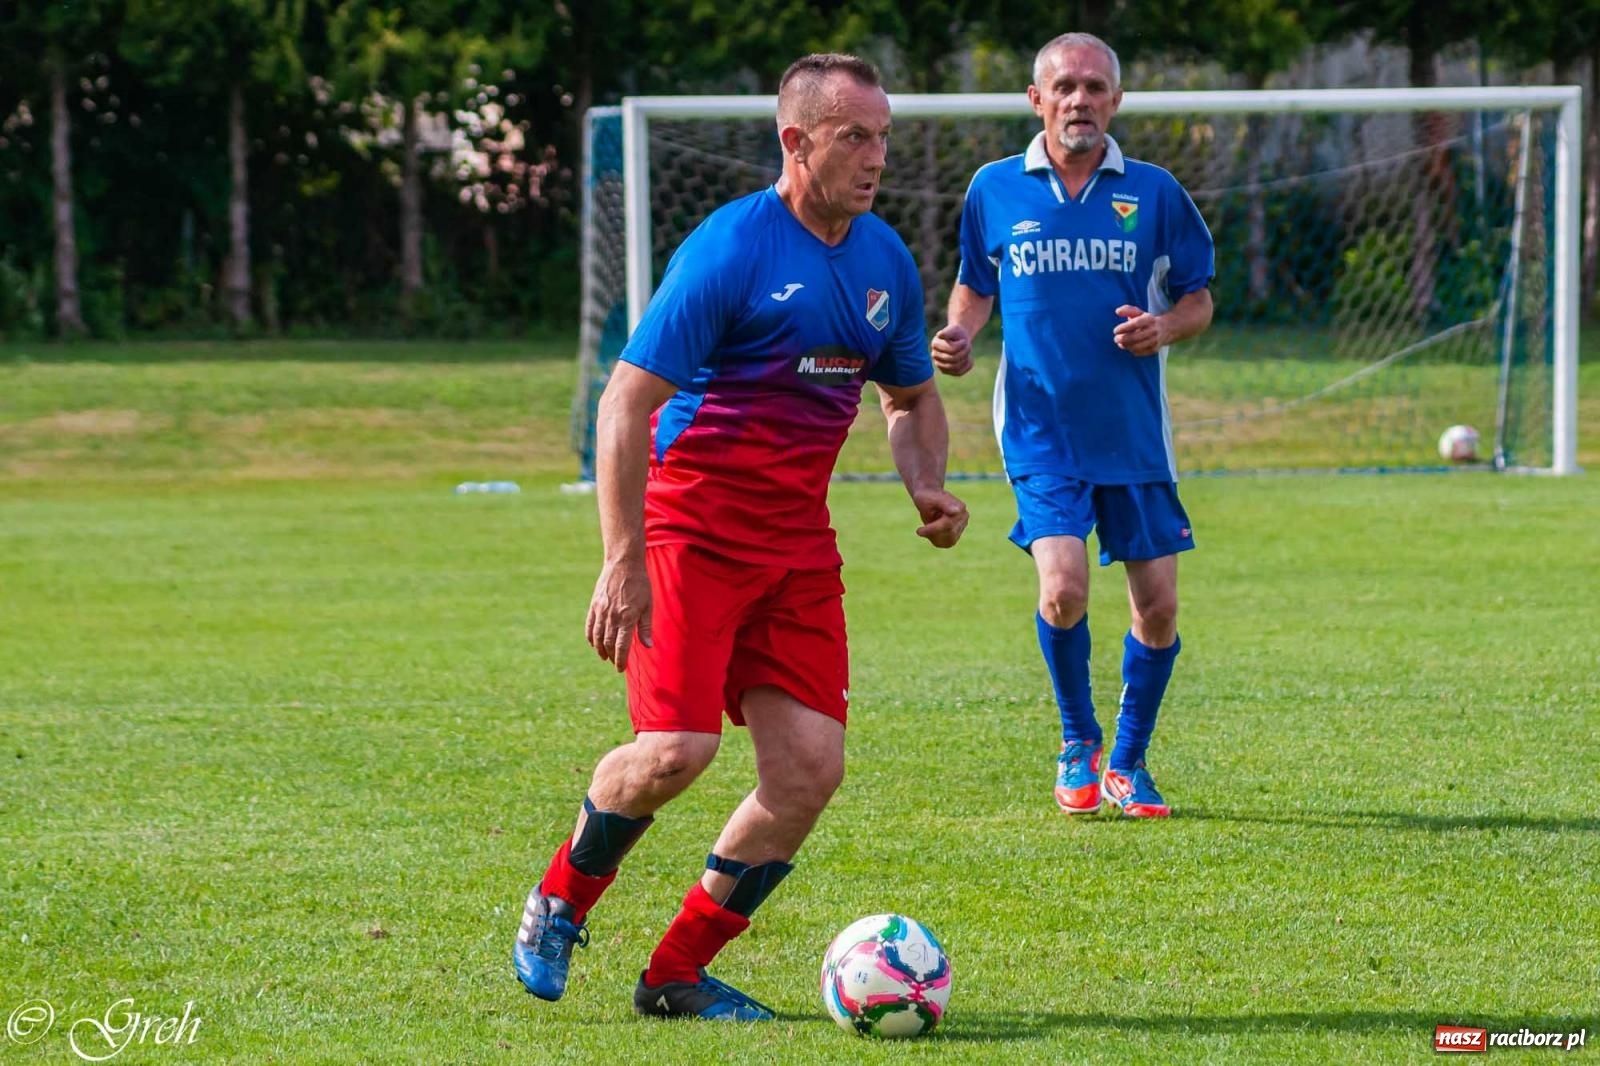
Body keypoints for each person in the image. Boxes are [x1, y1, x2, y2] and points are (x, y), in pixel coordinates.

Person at [513, 53, 968, 1021]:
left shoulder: (884, 260)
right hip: (689, 532)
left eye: (883, 137)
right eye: (854, 136)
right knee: (674, 751)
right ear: (796, 141)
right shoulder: (730, 248)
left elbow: (910, 397)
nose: (876, 156)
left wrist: (925, 482)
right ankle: (559, 899)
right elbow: (623, 405)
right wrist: (623, 559)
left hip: (796, 549)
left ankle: (675, 975)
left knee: (808, 772)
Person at [932, 32, 1214, 819]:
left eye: (1094, 87)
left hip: (1133, 433)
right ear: (1037, 100)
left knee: (1158, 608)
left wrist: (1165, 326)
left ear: (1115, 100)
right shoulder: (993, 188)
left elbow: (1198, 298)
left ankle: (1128, 762)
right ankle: (1076, 739)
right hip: (1040, 430)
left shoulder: (1156, 192)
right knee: (1062, 590)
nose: (1079, 100)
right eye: (1064, 86)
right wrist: (959, 333)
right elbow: (975, 285)